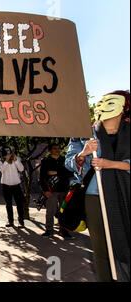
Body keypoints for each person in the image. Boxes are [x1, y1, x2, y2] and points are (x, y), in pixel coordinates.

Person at [65, 90, 130, 282]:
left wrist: (112, 164)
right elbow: (70, 162)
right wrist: (82, 154)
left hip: (126, 193)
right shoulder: (83, 133)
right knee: (102, 250)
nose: (103, 106)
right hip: (95, 196)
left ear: (124, 107)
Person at [39, 143, 73, 239]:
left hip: (64, 189)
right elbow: (42, 177)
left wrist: (57, 172)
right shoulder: (45, 161)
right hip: (51, 191)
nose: (57, 150)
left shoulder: (65, 160)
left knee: (64, 211)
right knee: (50, 211)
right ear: (50, 150)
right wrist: (45, 190)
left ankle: (64, 231)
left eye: (59, 148)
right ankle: (49, 230)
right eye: (55, 148)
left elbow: (69, 173)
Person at [0, 147, 26, 228]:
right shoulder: (0, 161)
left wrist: (16, 160)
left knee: (19, 204)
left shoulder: (16, 159)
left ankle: (21, 221)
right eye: (6, 153)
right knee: (8, 204)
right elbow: (2, 169)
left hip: (16, 185)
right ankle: (10, 221)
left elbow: (21, 169)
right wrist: (6, 161)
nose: (8, 154)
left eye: (9, 153)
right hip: (5, 185)